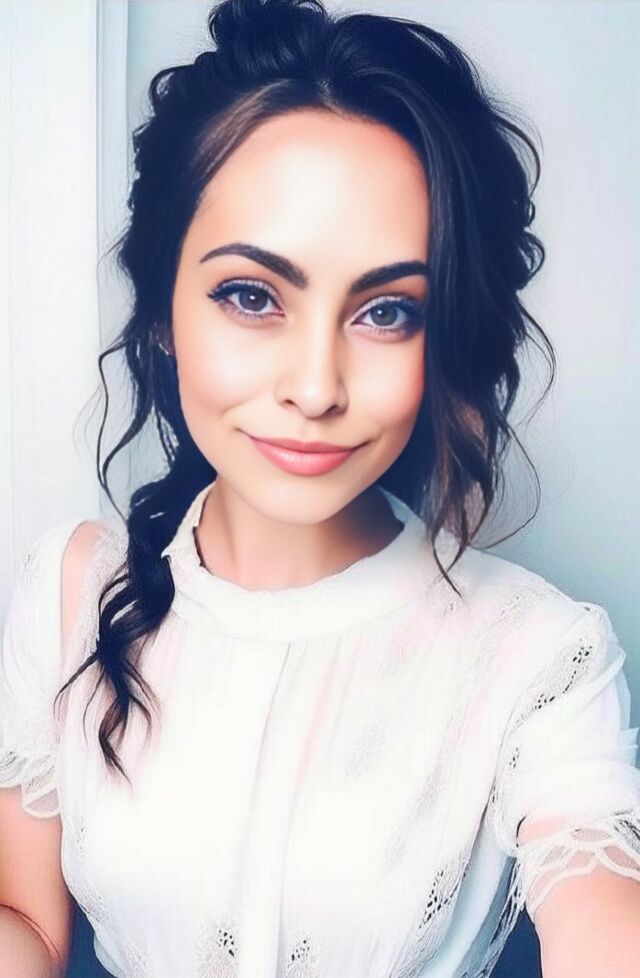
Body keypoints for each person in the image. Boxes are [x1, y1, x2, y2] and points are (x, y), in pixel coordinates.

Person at [1, 0, 639, 976]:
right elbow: (29, 928)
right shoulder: (72, 591)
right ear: (164, 309)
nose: (314, 387)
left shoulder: (542, 655)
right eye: (251, 296)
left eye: (386, 311)